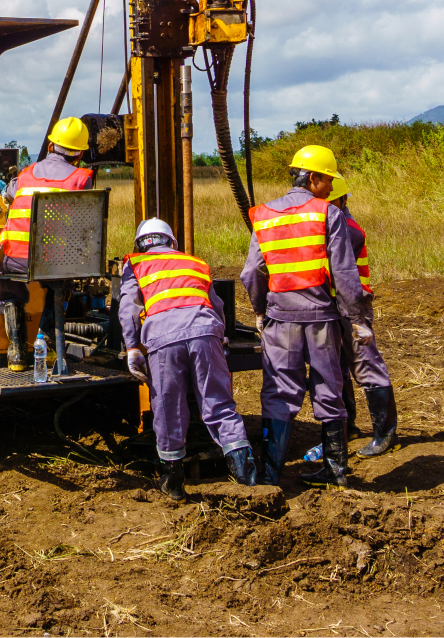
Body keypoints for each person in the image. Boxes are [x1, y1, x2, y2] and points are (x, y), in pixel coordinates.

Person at [238, 144, 370, 487]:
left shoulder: (264, 214)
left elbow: (252, 272)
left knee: (279, 392)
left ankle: (270, 472)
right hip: (322, 319)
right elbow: (344, 272)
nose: (331, 188)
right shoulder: (328, 214)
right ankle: (336, 470)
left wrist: (259, 310)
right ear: (312, 178)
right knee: (329, 389)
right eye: (328, 180)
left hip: (280, 318)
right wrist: (358, 318)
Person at [119, 217, 256, 499]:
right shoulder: (195, 262)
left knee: (168, 407)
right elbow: (215, 304)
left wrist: (132, 347)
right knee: (219, 403)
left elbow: (128, 307)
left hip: (163, 337)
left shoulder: (135, 263)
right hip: (206, 332)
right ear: (172, 242)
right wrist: (221, 337)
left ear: (141, 244)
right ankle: (246, 478)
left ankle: (173, 483)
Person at [0, 117, 95, 369]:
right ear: (79, 154)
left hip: (13, 257)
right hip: (54, 262)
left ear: (50, 147)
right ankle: (45, 340)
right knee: (62, 280)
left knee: (9, 284)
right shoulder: (82, 179)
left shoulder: (25, 175)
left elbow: (7, 194)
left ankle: (16, 352)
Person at [329, 175, 399, 457]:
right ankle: (351, 426)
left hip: (351, 305)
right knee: (337, 366)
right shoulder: (333, 223)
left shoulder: (347, 229)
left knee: (365, 365)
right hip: (334, 303)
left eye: (329, 201)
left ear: (342, 200)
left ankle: (385, 434)